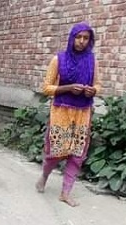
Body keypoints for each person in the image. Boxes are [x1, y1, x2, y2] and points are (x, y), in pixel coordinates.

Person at [36, 22, 101, 207]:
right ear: (72, 38)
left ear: (90, 41)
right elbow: (46, 87)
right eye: (78, 37)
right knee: (56, 152)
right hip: (61, 111)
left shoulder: (93, 60)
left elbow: (98, 84)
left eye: (86, 38)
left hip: (83, 112)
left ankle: (65, 192)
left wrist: (93, 91)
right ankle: (44, 176)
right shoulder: (59, 59)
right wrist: (68, 88)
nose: (81, 41)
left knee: (77, 154)